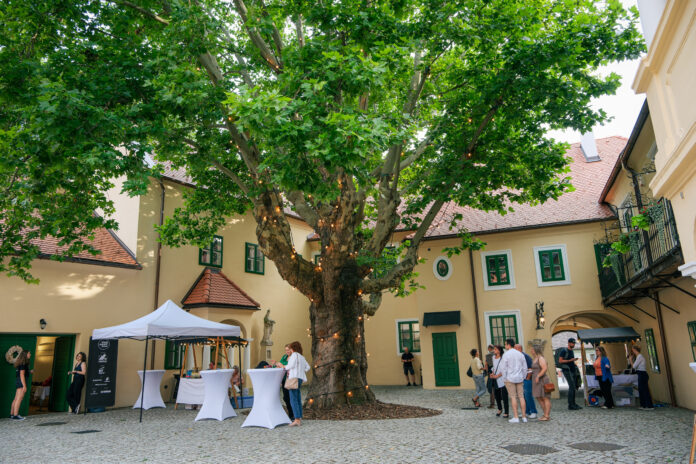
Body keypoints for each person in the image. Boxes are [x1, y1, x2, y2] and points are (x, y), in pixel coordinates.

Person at [275, 341, 310, 426]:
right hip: (300, 378)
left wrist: (282, 365)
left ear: (293, 348)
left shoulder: (294, 355)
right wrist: (300, 371)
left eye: (290, 348)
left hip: (293, 378)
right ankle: (299, 417)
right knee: (297, 398)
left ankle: (297, 419)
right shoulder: (302, 357)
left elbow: (289, 366)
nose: (289, 350)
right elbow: (308, 367)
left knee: (293, 399)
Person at [498, 339, 528, 423]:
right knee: (521, 397)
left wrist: (504, 378)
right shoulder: (520, 354)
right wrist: (523, 376)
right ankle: (524, 416)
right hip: (519, 377)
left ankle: (516, 417)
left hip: (510, 378)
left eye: (505, 344)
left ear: (508, 345)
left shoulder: (506, 355)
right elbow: (525, 367)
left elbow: (503, 368)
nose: (505, 346)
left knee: (513, 397)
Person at [558, 338, 582, 410]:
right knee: (572, 387)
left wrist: (573, 362)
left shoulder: (571, 351)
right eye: (572, 343)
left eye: (574, 343)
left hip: (572, 370)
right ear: (568, 343)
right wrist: (570, 360)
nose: (573, 344)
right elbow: (560, 361)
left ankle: (573, 403)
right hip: (567, 371)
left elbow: (571, 361)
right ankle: (571, 405)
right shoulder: (564, 351)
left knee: (574, 387)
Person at [515, 344, 538, 419]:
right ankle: (527, 412)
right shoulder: (519, 356)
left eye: (515, 348)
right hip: (522, 379)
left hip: (528, 379)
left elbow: (531, 368)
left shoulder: (525, 356)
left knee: (528, 396)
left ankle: (533, 411)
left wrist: (528, 378)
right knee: (524, 396)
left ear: (519, 349)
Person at [530, 344, 552, 421]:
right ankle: (545, 414)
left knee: (545, 397)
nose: (531, 351)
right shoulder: (535, 358)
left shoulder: (541, 358)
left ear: (536, 350)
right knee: (539, 397)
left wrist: (538, 376)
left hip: (542, 380)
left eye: (532, 349)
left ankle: (547, 415)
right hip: (536, 380)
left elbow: (544, 368)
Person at [630, 345, 654, 410]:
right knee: (641, 390)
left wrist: (630, 360)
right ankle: (643, 405)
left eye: (632, 350)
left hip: (642, 374)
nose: (632, 351)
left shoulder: (640, 357)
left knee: (645, 390)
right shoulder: (638, 357)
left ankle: (649, 406)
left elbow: (634, 366)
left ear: (635, 350)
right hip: (640, 374)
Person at [10, 350, 31, 421]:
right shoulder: (23, 363)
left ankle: (12, 414)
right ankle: (16, 415)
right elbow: (22, 375)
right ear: (25, 355)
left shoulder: (21, 363)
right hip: (21, 382)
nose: (30, 354)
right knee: (19, 399)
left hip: (19, 381)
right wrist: (24, 386)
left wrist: (29, 371)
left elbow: (21, 373)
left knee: (16, 398)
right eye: (29, 353)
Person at [489, 345, 509, 418]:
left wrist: (497, 376)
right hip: (495, 379)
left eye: (495, 349)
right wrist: (492, 373)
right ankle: (499, 409)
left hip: (503, 379)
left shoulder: (503, 358)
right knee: (497, 395)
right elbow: (494, 367)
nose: (494, 350)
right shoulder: (493, 358)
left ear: (499, 350)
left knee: (504, 396)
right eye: (494, 349)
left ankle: (506, 412)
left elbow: (504, 369)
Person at [278, 348, 294, 422]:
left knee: (291, 397)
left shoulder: (293, 357)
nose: (287, 351)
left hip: (290, 379)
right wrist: (277, 364)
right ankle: (291, 414)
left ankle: (293, 414)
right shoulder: (284, 357)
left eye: (288, 350)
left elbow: (288, 366)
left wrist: (282, 365)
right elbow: (280, 364)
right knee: (286, 397)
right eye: (286, 350)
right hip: (284, 379)